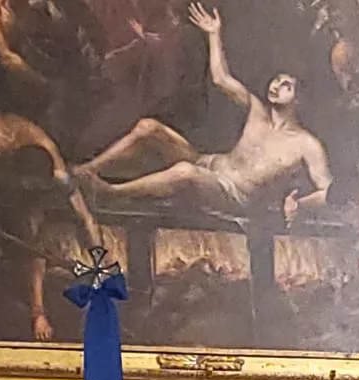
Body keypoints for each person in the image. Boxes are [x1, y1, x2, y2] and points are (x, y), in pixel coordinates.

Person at [74, 3, 332, 220]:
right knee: (149, 128)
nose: (276, 86)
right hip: (213, 165)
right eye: (277, 80)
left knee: (186, 172)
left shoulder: (306, 144)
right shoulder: (257, 109)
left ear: (299, 100)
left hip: (233, 195)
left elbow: (327, 190)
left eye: (286, 85)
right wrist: (213, 34)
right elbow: (220, 79)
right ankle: (87, 170)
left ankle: (110, 192)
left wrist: (301, 205)